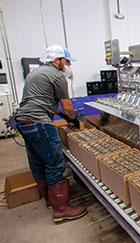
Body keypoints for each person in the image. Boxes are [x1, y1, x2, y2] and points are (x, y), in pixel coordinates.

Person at [15, 45, 87, 223]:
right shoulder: (57, 76)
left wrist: (64, 117)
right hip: (39, 122)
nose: (68, 64)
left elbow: (45, 102)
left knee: (38, 161)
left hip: (23, 121)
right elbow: (67, 106)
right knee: (54, 162)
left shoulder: (35, 74)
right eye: (66, 61)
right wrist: (74, 119)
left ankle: (49, 200)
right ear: (56, 60)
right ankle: (61, 209)